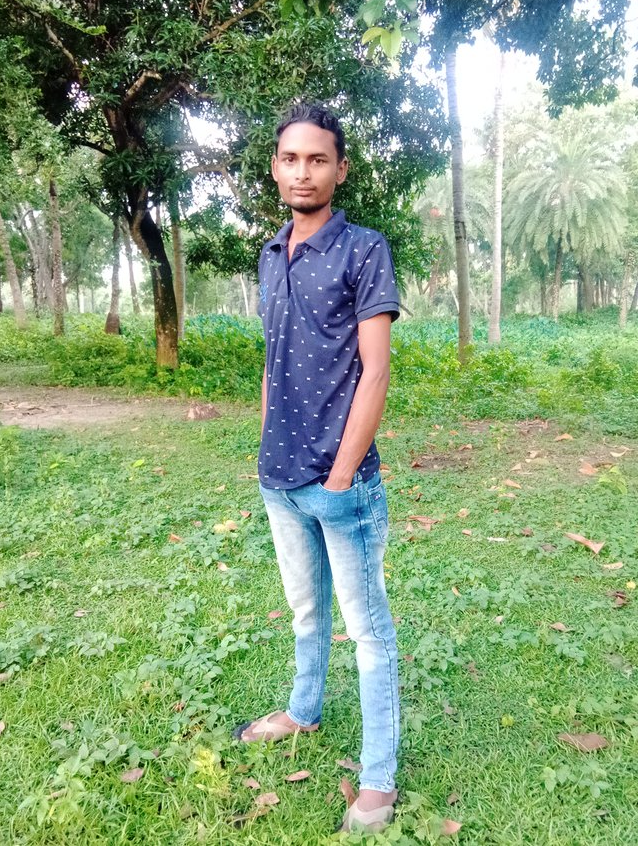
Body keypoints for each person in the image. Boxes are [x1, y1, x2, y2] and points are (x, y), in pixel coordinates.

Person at [236, 103, 400, 834]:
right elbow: (273, 361)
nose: (303, 172)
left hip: (342, 483)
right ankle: (303, 710)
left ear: (340, 169)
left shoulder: (364, 249)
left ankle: (379, 780)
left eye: (318, 159)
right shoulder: (271, 254)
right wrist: (265, 446)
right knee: (307, 612)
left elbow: (375, 372)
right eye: (290, 158)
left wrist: (340, 475)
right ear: (275, 168)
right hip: (280, 477)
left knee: (368, 632)